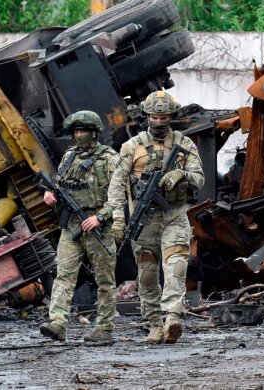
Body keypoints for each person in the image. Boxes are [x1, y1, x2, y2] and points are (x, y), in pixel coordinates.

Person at [106, 91, 204, 344]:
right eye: (154, 117)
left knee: (176, 265)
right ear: (146, 117)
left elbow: (199, 179)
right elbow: (116, 185)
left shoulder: (185, 144)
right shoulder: (131, 147)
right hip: (144, 219)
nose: (159, 122)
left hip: (174, 214)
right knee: (147, 274)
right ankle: (154, 323)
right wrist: (118, 218)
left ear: (171, 117)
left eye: (163, 117)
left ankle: (172, 316)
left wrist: (181, 175)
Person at [39, 110, 118, 344]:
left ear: (94, 133)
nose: (79, 135)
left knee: (104, 279)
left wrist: (101, 217)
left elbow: (121, 196)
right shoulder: (69, 157)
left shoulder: (109, 159)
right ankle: (58, 323)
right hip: (71, 225)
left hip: (98, 226)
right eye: (76, 132)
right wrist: (49, 194)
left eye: (83, 131)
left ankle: (104, 329)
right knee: (64, 275)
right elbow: (58, 184)